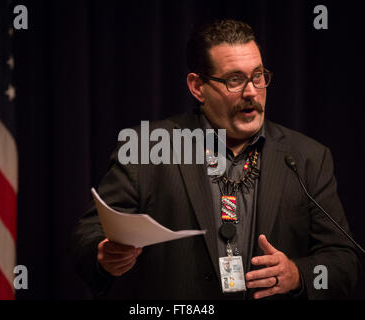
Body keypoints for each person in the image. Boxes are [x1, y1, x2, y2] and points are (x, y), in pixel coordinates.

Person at [72, 19, 361, 300]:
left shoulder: (307, 157)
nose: (251, 92)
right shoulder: (147, 147)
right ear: (198, 87)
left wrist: (298, 275)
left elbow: (344, 260)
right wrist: (103, 254)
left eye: (257, 76)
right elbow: (89, 234)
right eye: (234, 80)